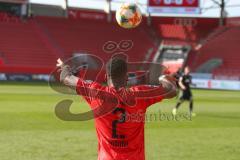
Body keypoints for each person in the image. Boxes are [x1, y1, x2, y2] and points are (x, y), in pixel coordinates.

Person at [56, 57, 177, 160]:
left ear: (105, 77)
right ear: (127, 77)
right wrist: (163, 77)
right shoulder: (140, 94)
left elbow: (65, 78)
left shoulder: (94, 92)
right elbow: (171, 90)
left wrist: (64, 67)